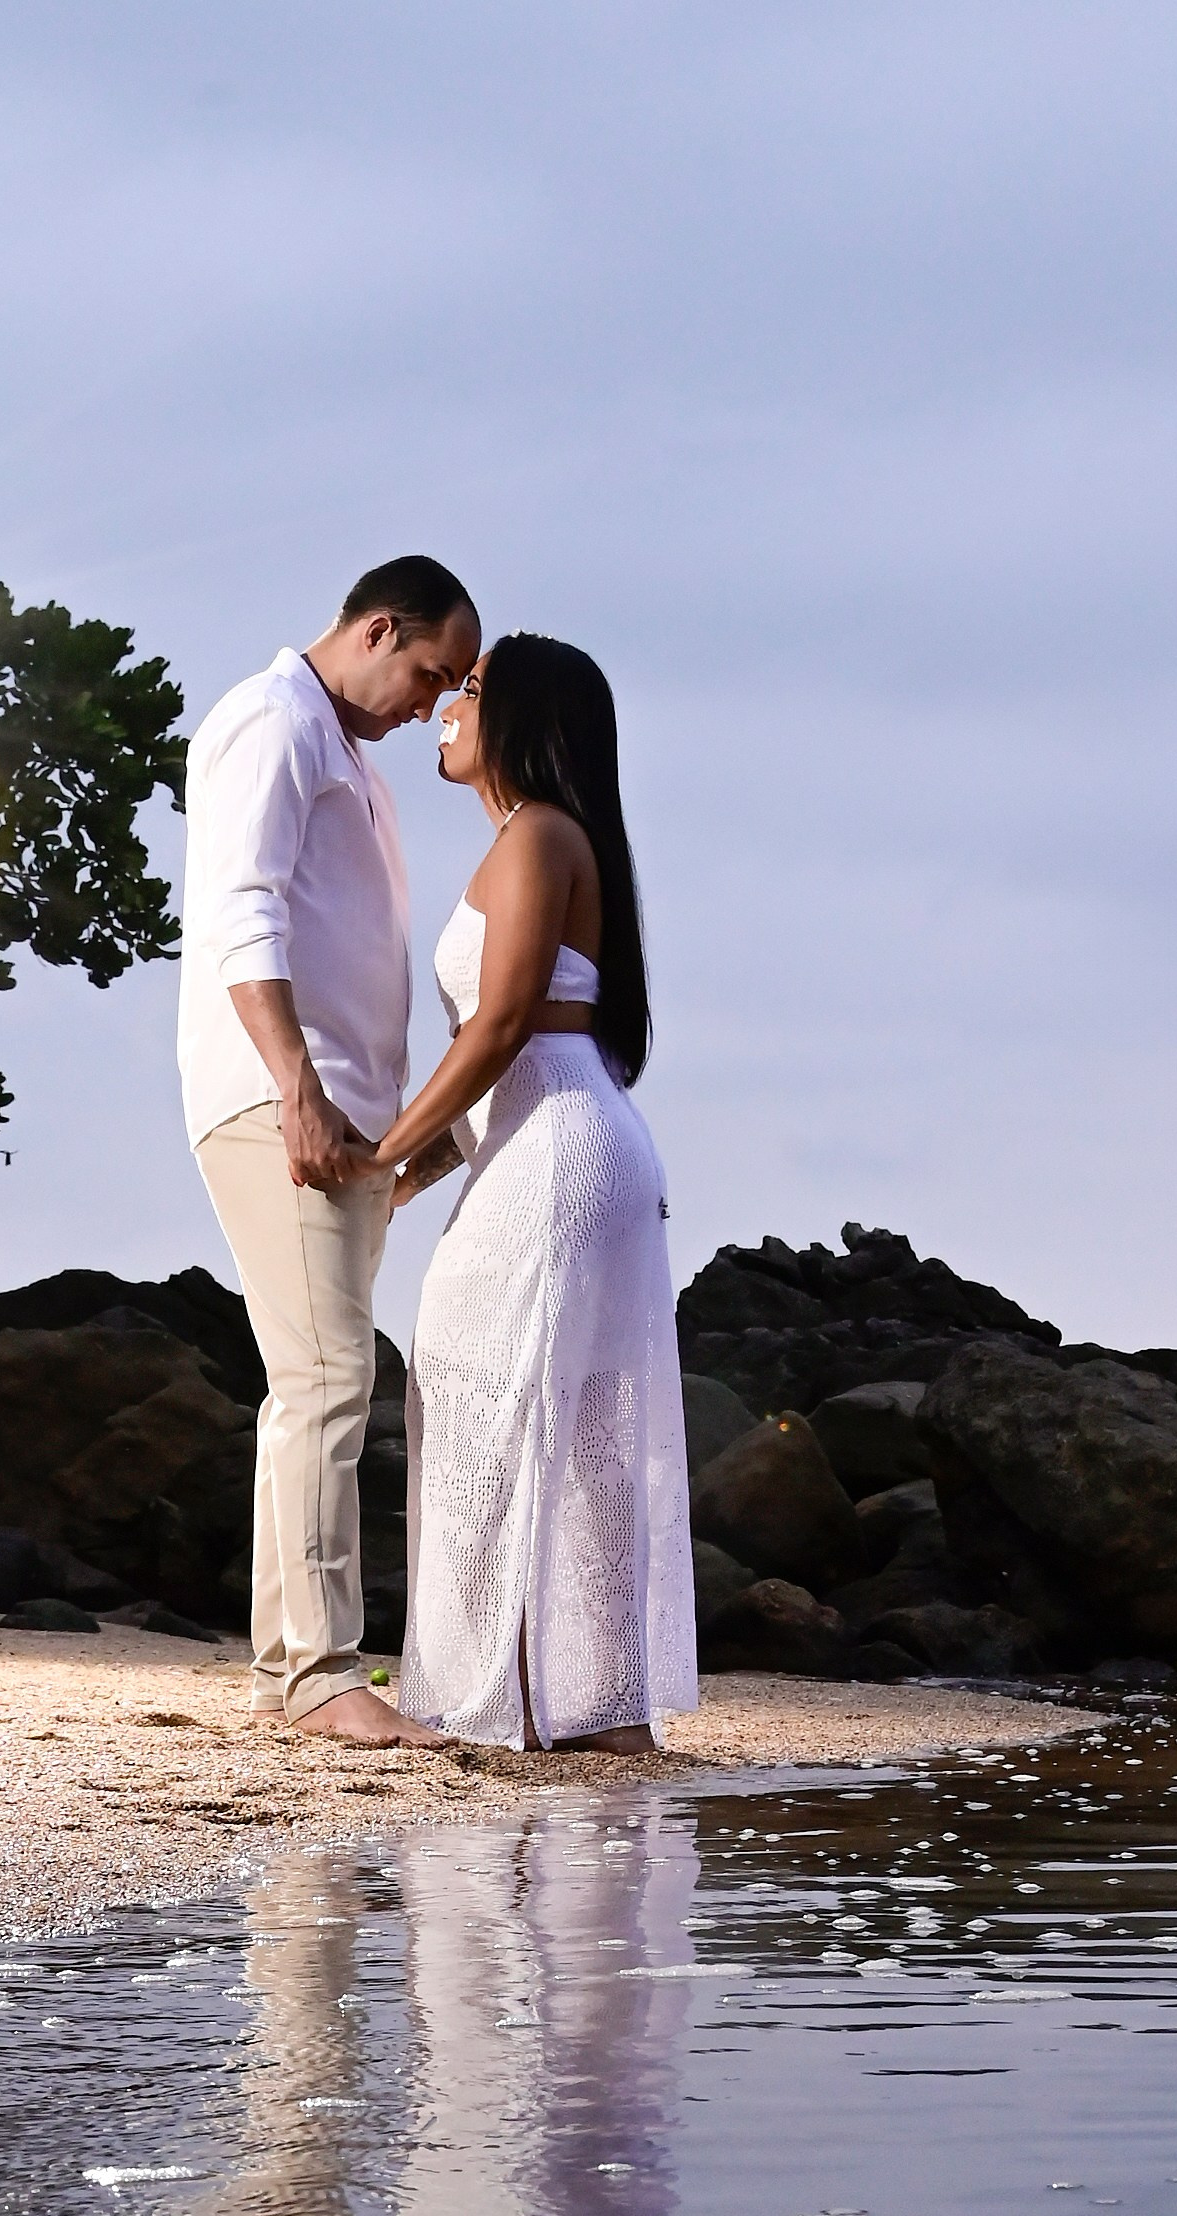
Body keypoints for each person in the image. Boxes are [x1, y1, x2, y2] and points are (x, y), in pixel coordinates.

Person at [346, 633, 697, 1751]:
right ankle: (578, 1706)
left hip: (560, 1151)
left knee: (503, 1389)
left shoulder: (541, 834)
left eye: (476, 689)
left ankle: (535, 1701)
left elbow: (502, 1031)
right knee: (543, 1407)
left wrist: (374, 1153)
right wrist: (420, 1166)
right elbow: (504, 1054)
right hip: (548, 1140)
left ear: (528, 722)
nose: (450, 703)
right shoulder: (526, 842)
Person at [177, 555, 481, 1744]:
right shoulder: (273, 721)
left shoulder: (348, 754)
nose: (431, 703)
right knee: (327, 1378)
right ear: (378, 627)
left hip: (346, 1112)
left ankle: (281, 1667)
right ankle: (319, 1676)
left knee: (305, 1379)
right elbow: (240, 908)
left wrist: (387, 1141)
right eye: (428, 672)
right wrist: (296, 1086)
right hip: (282, 1099)